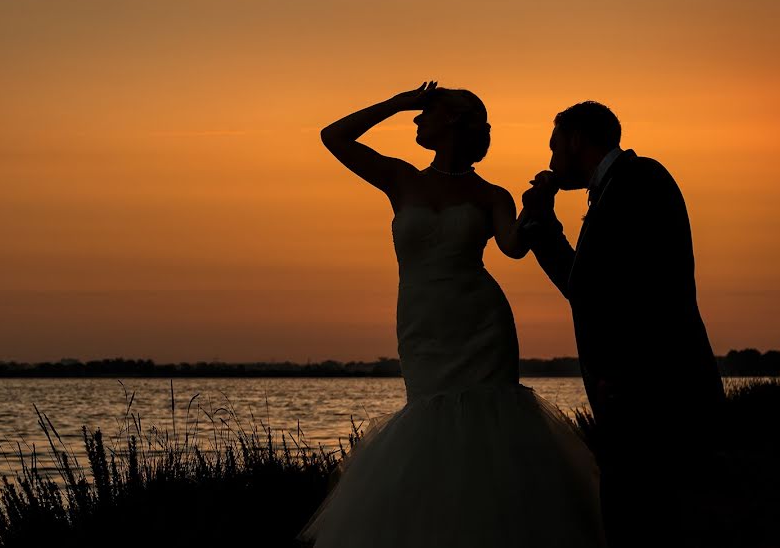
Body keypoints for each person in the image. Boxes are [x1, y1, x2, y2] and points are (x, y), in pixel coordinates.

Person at [299, 83, 605, 547]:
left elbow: (515, 247)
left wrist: (540, 207)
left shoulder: (491, 195)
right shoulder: (401, 178)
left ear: (453, 123)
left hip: (481, 322)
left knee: (492, 424)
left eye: (425, 114)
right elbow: (333, 136)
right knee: (430, 421)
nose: (416, 122)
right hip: (423, 324)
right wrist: (399, 101)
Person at [521, 101, 725, 548]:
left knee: (646, 518)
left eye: (555, 148)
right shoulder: (623, 185)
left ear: (576, 140)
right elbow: (588, 286)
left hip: (656, 391)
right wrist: (541, 224)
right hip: (643, 390)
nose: (551, 162)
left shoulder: (638, 181)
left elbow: (615, 292)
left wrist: (623, 371)